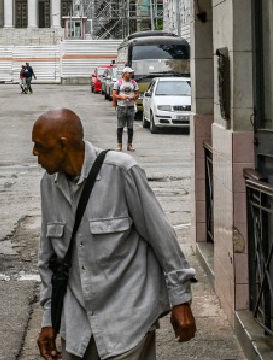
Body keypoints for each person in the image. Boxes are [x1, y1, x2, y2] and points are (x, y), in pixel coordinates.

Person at [32, 109, 196, 360]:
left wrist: (180, 299)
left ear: (63, 145)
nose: (35, 153)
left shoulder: (122, 171)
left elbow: (163, 238)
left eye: (40, 147)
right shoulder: (48, 184)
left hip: (127, 322)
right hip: (77, 328)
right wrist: (49, 319)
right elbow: (49, 259)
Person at [112, 67, 139, 152]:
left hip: (130, 107)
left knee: (130, 127)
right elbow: (114, 95)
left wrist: (134, 97)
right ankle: (119, 144)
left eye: (131, 73)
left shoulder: (134, 83)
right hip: (121, 106)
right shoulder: (118, 83)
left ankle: (129, 145)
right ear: (124, 74)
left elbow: (137, 94)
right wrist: (121, 97)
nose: (131, 74)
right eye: (129, 73)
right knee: (120, 126)